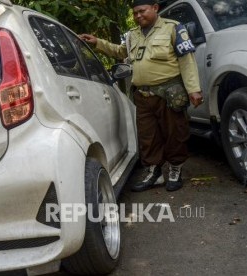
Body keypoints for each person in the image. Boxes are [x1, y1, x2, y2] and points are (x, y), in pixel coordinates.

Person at [79, 0, 204, 192]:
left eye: (142, 11)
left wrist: (193, 89)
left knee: (174, 134)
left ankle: (175, 170)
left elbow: (186, 60)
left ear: (155, 8)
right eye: (135, 13)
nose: (138, 16)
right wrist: (98, 43)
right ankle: (155, 173)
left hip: (169, 93)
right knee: (148, 137)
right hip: (142, 96)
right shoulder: (132, 35)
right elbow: (121, 52)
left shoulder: (173, 28)